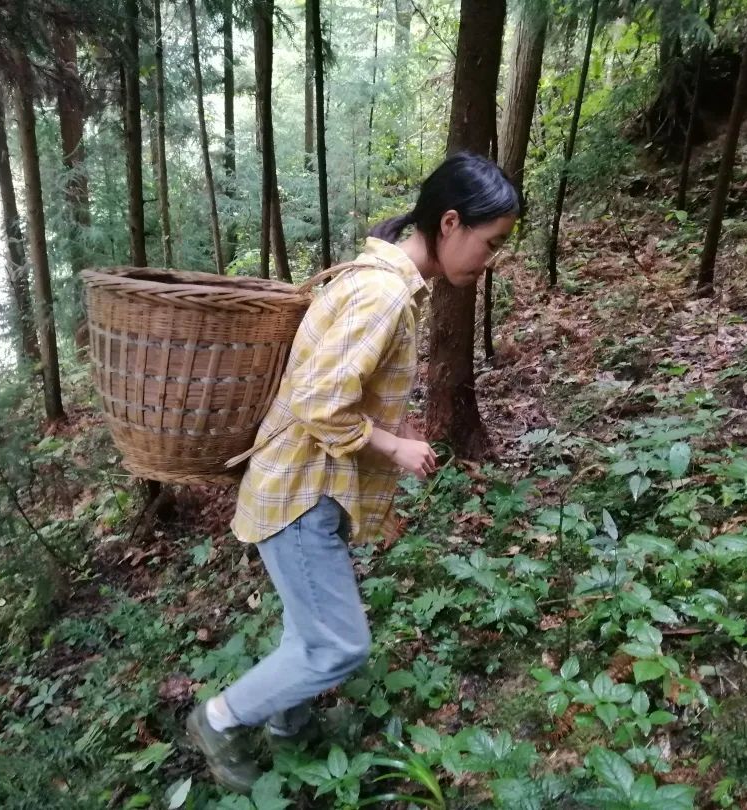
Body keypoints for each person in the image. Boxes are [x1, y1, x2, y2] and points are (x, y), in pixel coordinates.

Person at [185, 151, 520, 793]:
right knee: (339, 644)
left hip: (313, 488)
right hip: (300, 493)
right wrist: (393, 447)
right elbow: (318, 401)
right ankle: (219, 719)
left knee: (306, 630)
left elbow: (352, 387)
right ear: (451, 223)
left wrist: (396, 429)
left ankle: (288, 732)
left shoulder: (387, 283)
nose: (490, 259)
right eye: (491, 242)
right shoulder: (383, 294)